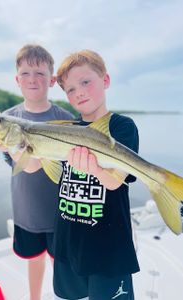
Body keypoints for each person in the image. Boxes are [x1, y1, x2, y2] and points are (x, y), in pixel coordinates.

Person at [0, 44, 73, 300]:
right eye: (26, 73)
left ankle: (63, 296)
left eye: (40, 73)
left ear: (52, 80)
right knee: (34, 259)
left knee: (60, 263)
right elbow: (24, 166)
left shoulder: (65, 119)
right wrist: (8, 145)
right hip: (26, 209)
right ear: (17, 79)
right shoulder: (7, 120)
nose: (33, 79)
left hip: (61, 210)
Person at [53, 50, 140, 300]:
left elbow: (115, 181)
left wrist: (94, 168)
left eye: (85, 82)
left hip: (109, 249)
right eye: (69, 89)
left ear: (106, 80)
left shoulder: (122, 127)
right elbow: (35, 166)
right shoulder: (66, 130)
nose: (78, 92)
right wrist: (10, 146)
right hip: (68, 243)